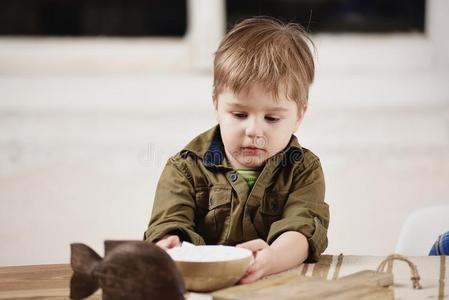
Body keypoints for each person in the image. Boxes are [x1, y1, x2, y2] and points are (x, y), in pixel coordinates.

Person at [144, 16, 329, 284]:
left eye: (272, 119)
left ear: (299, 116)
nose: (254, 130)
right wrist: (169, 243)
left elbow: (301, 229)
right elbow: (168, 222)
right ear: (216, 104)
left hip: (275, 285)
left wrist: (273, 258)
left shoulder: (303, 169)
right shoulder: (185, 168)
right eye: (239, 114)